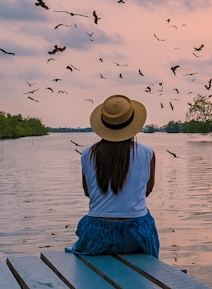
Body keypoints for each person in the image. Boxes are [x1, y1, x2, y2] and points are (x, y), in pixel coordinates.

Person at [67, 94, 159, 257]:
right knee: (145, 215)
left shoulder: (87, 153)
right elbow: (146, 191)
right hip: (136, 234)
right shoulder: (147, 152)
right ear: (132, 124)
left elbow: (88, 192)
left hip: (97, 235)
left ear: (103, 124)